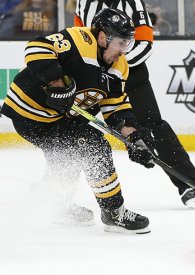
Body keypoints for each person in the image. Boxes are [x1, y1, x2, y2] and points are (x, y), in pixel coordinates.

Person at [0, 8, 154, 233]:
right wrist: (57, 84)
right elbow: (37, 47)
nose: (123, 51)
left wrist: (134, 139)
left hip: (62, 117)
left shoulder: (120, 68)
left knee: (67, 153)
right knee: (92, 145)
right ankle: (114, 212)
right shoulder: (78, 40)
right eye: (121, 44)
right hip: (29, 115)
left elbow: (116, 107)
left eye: (127, 44)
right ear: (103, 37)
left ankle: (57, 203)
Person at [75, 0, 195, 210]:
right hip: (94, 74)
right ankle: (56, 191)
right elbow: (80, 38)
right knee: (73, 128)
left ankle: (190, 186)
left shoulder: (131, 3)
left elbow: (145, 43)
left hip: (131, 75)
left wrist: (115, 66)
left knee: (154, 126)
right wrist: (94, 68)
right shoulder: (83, 3)